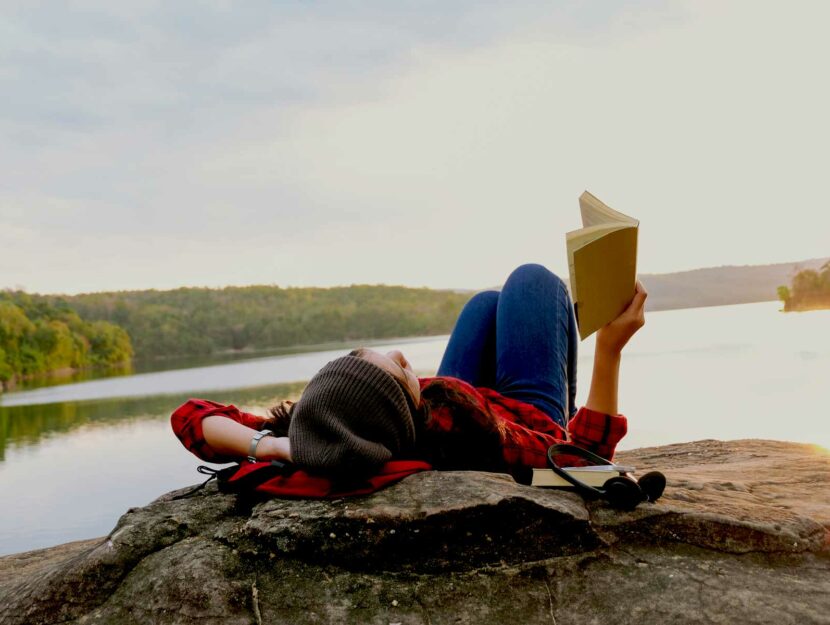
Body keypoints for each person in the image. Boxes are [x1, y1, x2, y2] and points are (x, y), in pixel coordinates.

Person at [171, 263, 647, 485]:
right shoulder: (466, 434)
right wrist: (609, 350)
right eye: (401, 371)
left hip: (454, 395)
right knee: (531, 281)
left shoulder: (323, 427)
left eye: (368, 353)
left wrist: (272, 444)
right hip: (515, 413)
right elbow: (585, 461)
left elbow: (191, 415)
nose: (401, 354)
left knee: (484, 304)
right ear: (412, 406)